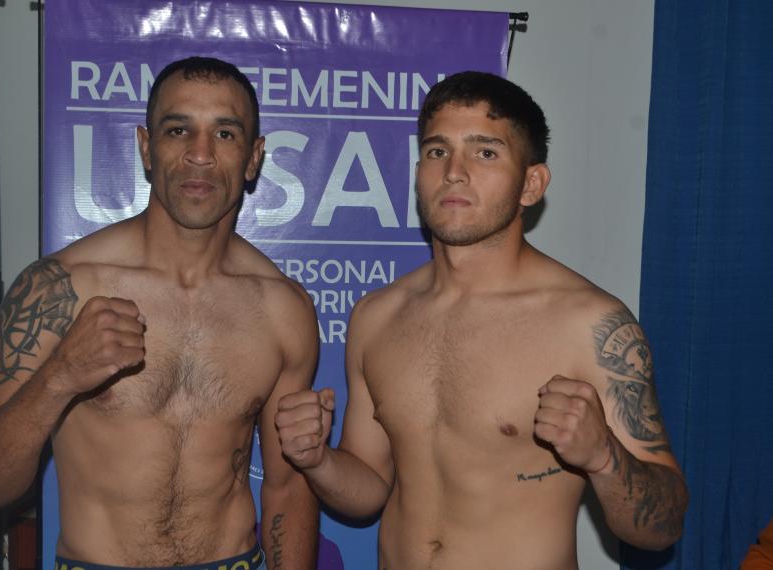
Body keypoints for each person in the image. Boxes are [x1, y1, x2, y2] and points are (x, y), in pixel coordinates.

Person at [275, 71, 688, 568]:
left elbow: (664, 528)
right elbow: (369, 488)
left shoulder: (589, 324)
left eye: (485, 152)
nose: (454, 171)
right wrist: (318, 460)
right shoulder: (377, 316)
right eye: (437, 151)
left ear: (531, 184)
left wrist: (604, 457)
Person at [0, 56, 319, 570]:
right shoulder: (60, 289)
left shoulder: (283, 309)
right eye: (178, 130)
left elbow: (287, 487)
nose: (200, 155)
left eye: (225, 134)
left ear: (254, 158)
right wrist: (59, 377)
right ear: (147, 147)